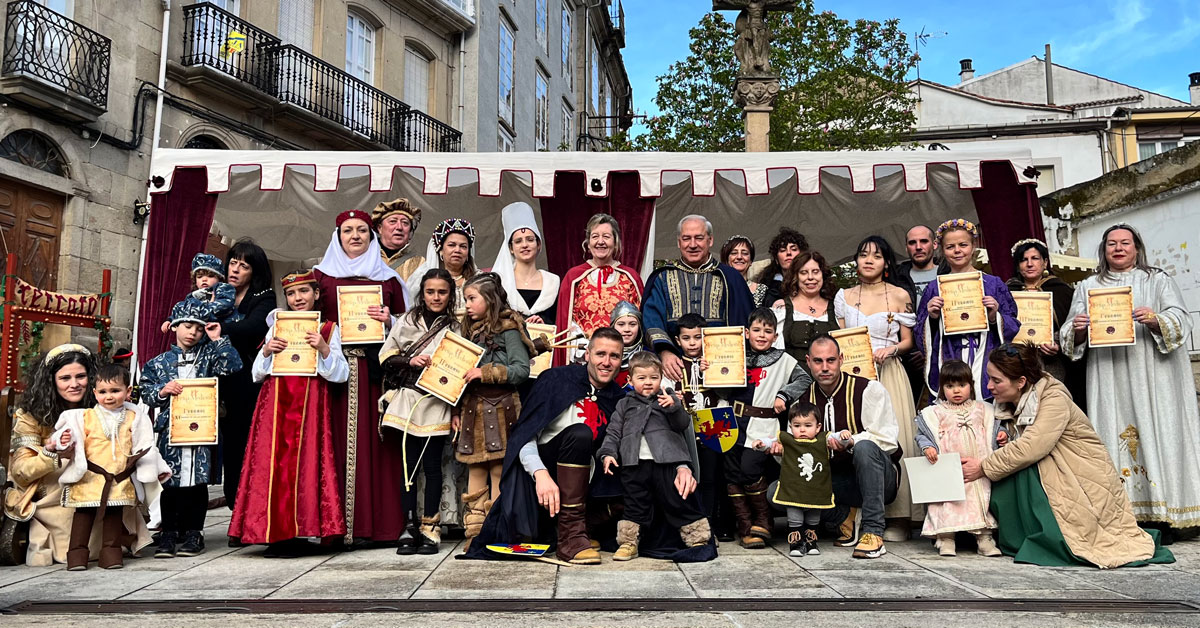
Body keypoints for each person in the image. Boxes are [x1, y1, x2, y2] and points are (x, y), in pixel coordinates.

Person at [962, 343, 1174, 568]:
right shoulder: (1007, 401)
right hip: (1048, 468)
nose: (989, 386)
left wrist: (983, 467)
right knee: (1007, 466)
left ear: (1021, 382)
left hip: (1078, 475)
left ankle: (1046, 537)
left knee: (1016, 466)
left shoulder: (1053, 398)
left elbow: (1032, 447)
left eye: (996, 380)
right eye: (989, 378)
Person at [1060, 224, 1200, 534]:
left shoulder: (1157, 280)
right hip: (1109, 375)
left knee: (1159, 432)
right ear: (1104, 250)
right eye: (1112, 244)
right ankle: (1122, 514)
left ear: (1136, 247)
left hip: (1154, 375)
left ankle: (1166, 512)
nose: (1118, 248)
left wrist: (1156, 319)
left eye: (1125, 243)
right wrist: (1080, 327)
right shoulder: (1088, 286)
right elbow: (1068, 335)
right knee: (1113, 434)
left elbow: (1181, 319)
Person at [464, 328, 629, 565]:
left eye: (614, 356)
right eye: (600, 354)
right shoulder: (556, 380)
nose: (606, 362)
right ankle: (570, 539)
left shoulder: (618, 398)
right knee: (580, 434)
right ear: (587, 355)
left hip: (586, 488)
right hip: (540, 486)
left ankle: (581, 528)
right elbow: (524, 436)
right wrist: (540, 474)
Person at [227, 270, 349, 557]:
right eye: (292, 294)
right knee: (273, 466)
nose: (298, 298)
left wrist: (323, 349)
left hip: (311, 406)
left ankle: (301, 530)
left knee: (307, 466)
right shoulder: (276, 326)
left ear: (316, 294)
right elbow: (257, 373)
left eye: (304, 292)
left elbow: (341, 374)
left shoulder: (330, 329)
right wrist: (268, 350)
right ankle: (274, 532)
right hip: (275, 405)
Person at [3, 345, 152, 566]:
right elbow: (20, 471)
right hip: (55, 493)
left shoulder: (108, 404)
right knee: (69, 548)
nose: (74, 384)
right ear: (51, 381)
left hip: (106, 486)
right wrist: (52, 454)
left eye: (81, 376)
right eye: (65, 378)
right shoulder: (31, 415)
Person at [312, 210, 408, 546]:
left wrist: (389, 321)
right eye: (348, 231)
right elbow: (304, 318)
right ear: (337, 236)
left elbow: (408, 329)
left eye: (363, 231)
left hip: (373, 374)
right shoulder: (320, 278)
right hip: (332, 374)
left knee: (379, 447)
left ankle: (378, 526)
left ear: (372, 236)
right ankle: (334, 527)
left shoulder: (388, 280)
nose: (356, 236)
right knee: (331, 444)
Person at [141, 301, 243, 558]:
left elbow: (233, 367)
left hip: (203, 431)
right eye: (188, 326)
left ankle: (194, 533)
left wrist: (218, 338)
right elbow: (147, 393)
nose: (193, 333)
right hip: (171, 433)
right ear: (175, 326)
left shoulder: (210, 356)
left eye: (199, 328)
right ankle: (168, 533)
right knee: (170, 484)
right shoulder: (159, 363)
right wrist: (163, 390)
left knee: (197, 484)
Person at [834, 236, 919, 542]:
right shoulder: (844, 296)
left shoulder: (899, 295)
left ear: (886, 264)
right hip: (855, 376)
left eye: (877, 256)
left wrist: (893, 350)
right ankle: (858, 511)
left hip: (889, 373)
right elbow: (841, 339)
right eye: (863, 254)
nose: (869, 260)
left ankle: (900, 515)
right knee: (858, 437)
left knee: (896, 438)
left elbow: (910, 340)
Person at [50, 364, 170, 570]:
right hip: (89, 476)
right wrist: (63, 440)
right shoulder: (83, 417)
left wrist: (156, 468)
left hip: (119, 478)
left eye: (115, 391)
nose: (109, 397)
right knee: (83, 516)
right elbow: (63, 438)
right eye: (103, 392)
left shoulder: (134, 417)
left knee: (114, 516)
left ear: (128, 391)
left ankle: (111, 554)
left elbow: (145, 445)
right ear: (95, 392)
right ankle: (76, 556)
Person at [597, 351, 711, 561]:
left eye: (653, 377)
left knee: (677, 499)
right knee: (634, 503)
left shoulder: (666, 398)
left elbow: (682, 425)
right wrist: (608, 453)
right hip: (634, 463)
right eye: (642, 378)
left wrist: (675, 407)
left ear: (661, 378)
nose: (648, 383)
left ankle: (698, 538)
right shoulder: (625, 403)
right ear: (630, 380)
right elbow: (613, 431)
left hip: (666, 462)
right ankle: (629, 543)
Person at [379, 268, 460, 556]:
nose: (436, 297)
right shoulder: (407, 321)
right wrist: (410, 360)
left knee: (432, 466)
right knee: (408, 467)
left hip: (438, 401)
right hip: (408, 398)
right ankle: (409, 525)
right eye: (430, 291)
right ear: (422, 293)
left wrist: (456, 409)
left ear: (450, 294)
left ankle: (431, 527)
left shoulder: (456, 326)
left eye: (442, 292)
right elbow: (385, 355)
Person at [454, 273, 533, 551]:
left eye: (472, 298)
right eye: (465, 299)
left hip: (502, 408)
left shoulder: (509, 329)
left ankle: (496, 530)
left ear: (489, 299)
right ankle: (475, 534)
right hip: (473, 409)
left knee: (499, 470)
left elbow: (522, 370)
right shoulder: (467, 330)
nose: (468, 304)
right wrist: (455, 408)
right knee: (475, 468)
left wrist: (485, 372)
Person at [802, 335, 900, 559]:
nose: (825, 367)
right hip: (836, 484)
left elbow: (888, 440)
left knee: (865, 447)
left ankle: (873, 531)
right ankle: (844, 517)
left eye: (831, 360)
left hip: (877, 480)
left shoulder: (868, 389)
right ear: (808, 362)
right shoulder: (803, 400)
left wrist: (852, 441)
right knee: (776, 492)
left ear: (841, 359)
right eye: (818, 361)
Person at [725, 307, 811, 548]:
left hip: (762, 424)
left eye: (768, 331)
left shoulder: (783, 360)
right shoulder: (733, 355)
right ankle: (745, 526)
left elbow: (804, 379)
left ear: (775, 336)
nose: (762, 335)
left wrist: (784, 394)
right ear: (746, 332)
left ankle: (764, 520)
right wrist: (708, 370)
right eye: (757, 330)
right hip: (731, 422)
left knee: (750, 469)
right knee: (732, 474)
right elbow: (721, 388)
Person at [916, 219, 1020, 401]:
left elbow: (1013, 322)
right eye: (950, 246)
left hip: (986, 357)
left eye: (963, 244)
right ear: (942, 250)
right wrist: (931, 318)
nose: (957, 251)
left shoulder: (993, 284)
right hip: (950, 359)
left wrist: (995, 317)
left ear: (973, 246)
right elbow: (919, 332)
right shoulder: (934, 288)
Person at [643, 215, 754, 383]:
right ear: (679, 242)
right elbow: (651, 319)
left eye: (699, 238)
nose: (692, 244)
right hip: (673, 367)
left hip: (722, 368)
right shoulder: (662, 277)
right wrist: (665, 352)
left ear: (710, 240)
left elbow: (746, 322)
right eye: (686, 238)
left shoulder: (730, 277)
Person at [914, 360, 1001, 557]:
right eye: (950, 386)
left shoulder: (982, 409)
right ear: (941, 388)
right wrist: (927, 446)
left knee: (978, 503)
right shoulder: (936, 412)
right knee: (947, 504)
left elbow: (993, 428)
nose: (956, 391)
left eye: (961, 385)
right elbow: (922, 434)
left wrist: (1000, 435)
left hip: (976, 470)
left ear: (971, 384)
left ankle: (984, 539)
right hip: (949, 470)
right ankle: (946, 539)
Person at [218, 239, 276, 511]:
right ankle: (232, 504)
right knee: (227, 444)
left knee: (244, 442)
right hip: (218, 378)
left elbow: (253, 328)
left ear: (254, 271)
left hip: (246, 380)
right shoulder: (216, 294)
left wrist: (217, 328)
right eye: (233, 262)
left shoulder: (264, 296)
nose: (236, 269)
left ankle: (247, 506)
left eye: (244, 265)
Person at [555, 214, 644, 366]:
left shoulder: (630, 277)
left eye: (606, 236)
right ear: (588, 243)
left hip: (622, 360)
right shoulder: (574, 277)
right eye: (595, 236)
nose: (600, 242)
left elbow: (640, 320)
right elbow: (566, 320)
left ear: (615, 242)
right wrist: (585, 348)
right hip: (583, 358)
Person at [1007, 239, 1085, 409]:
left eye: (1035, 258)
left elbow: (1071, 323)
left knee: (1052, 406)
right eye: (1023, 259)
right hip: (1017, 362)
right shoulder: (1008, 291)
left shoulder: (1061, 291)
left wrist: (1057, 342)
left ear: (1045, 263)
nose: (1029, 264)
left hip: (1052, 362)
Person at [759, 401, 834, 557]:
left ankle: (811, 542)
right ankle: (796, 544)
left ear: (818, 427)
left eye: (808, 425)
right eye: (797, 425)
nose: (802, 430)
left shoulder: (822, 440)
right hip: (792, 489)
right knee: (794, 516)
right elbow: (772, 441)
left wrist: (845, 437)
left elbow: (837, 438)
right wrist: (761, 444)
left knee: (814, 516)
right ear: (791, 426)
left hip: (815, 489)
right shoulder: (788, 440)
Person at [492, 202, 560, 325]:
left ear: (538, 244)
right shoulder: (500, 281)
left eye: (530, 239)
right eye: (518, 241)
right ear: (511, 248)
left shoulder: (553, 282)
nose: (525, 245)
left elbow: (558, 320)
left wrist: (544, 322)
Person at [772, 250, 840, 366]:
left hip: (829, 381)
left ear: (822, 274)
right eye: (803, 272)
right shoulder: (782, 308)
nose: (810, 277)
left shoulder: (837, 308)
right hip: (792, 380)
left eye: (815, 272)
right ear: (796, 276)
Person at [407, 218, 477, 318]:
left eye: (463, 246)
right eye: (451, 245)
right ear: (440, 250)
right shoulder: (421, 278)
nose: (457, 250)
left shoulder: (480, 279)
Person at [158, 253, 235, 334]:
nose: (204, 279)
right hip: (200, 332)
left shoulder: (223, 289)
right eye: (200, 277)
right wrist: (170, 320)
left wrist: (203, 309)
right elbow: (183, 310)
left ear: (219, 278)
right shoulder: (193, 296)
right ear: (195, 281)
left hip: (221, 329)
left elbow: (225, 304)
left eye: (210, 276)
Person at [754, 228, 808, 310]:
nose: (789, 253)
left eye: (794, 249)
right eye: (783, 250)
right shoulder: (767, 287)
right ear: (776, 259)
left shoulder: (813, 280)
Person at [373, 197, 424, 283]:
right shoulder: (364, 258)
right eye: (393, 221)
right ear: (380, 228)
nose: (399, 227)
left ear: (410, 233)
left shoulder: (421, 264)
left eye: (405, 223)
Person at [897, 224, 944, 303]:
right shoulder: (896, 278)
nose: (918, 247)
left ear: (934, 244)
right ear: (906, 248)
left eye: (924, 241)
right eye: (912, 243)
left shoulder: (948, 273)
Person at [720, 235, 765, 306]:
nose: (739, 257)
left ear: (750, 261)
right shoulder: (717, 287)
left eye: (744, 253)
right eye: (734, 253)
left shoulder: (762, 289)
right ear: (726, 259)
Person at [610, 300, 645, 390]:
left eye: (632, 324)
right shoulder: (603, 355)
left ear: (640, 327)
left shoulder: (647, 356)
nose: (627, 329)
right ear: (613, 326)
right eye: (621, 324)